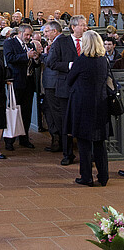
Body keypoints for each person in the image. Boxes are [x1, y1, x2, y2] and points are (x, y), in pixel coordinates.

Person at [65, 30, 111, 186]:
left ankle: (86, 177)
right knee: (100, 143)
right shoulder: (103, 60)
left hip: (84, 106)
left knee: (84, 143)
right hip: (101, 105)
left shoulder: (82, 60)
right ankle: (103, 177)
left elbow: (69, 80)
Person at [45, 14, 88, 165]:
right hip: (66, 87)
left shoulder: (89, 40)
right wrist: (70, 66)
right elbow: (51, 62)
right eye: (82, 25)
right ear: (73, 27)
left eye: (85, 25)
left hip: (85, 88)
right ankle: (67, 154)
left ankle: (88, 155)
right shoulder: (62, 42)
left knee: (85, 121)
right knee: (66, 122)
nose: (85, 27)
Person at [3, 23, 41, 150]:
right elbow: (9, 58)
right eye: (27, 35)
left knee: (26, 111)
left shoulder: (30, 45)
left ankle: (24, 138)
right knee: (14, 110)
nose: (29, 37)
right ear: (20, 33)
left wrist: (36, 58)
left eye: (30, 35)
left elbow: (34, 65)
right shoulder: (10, 43)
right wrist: (26, 56)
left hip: (28, 82)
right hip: (16, 82)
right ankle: (9, 140)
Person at [41, 20, 63, 152]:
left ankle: (59, 139)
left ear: (54, 31)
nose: (46, 35)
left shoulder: (59, 42)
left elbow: (51, 62)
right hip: (54, 82)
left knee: (54, 111)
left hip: (53, 82)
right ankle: (57, 138)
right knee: (49, 109)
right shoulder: (58, 42)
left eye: (47, 32)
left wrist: (43, 54)